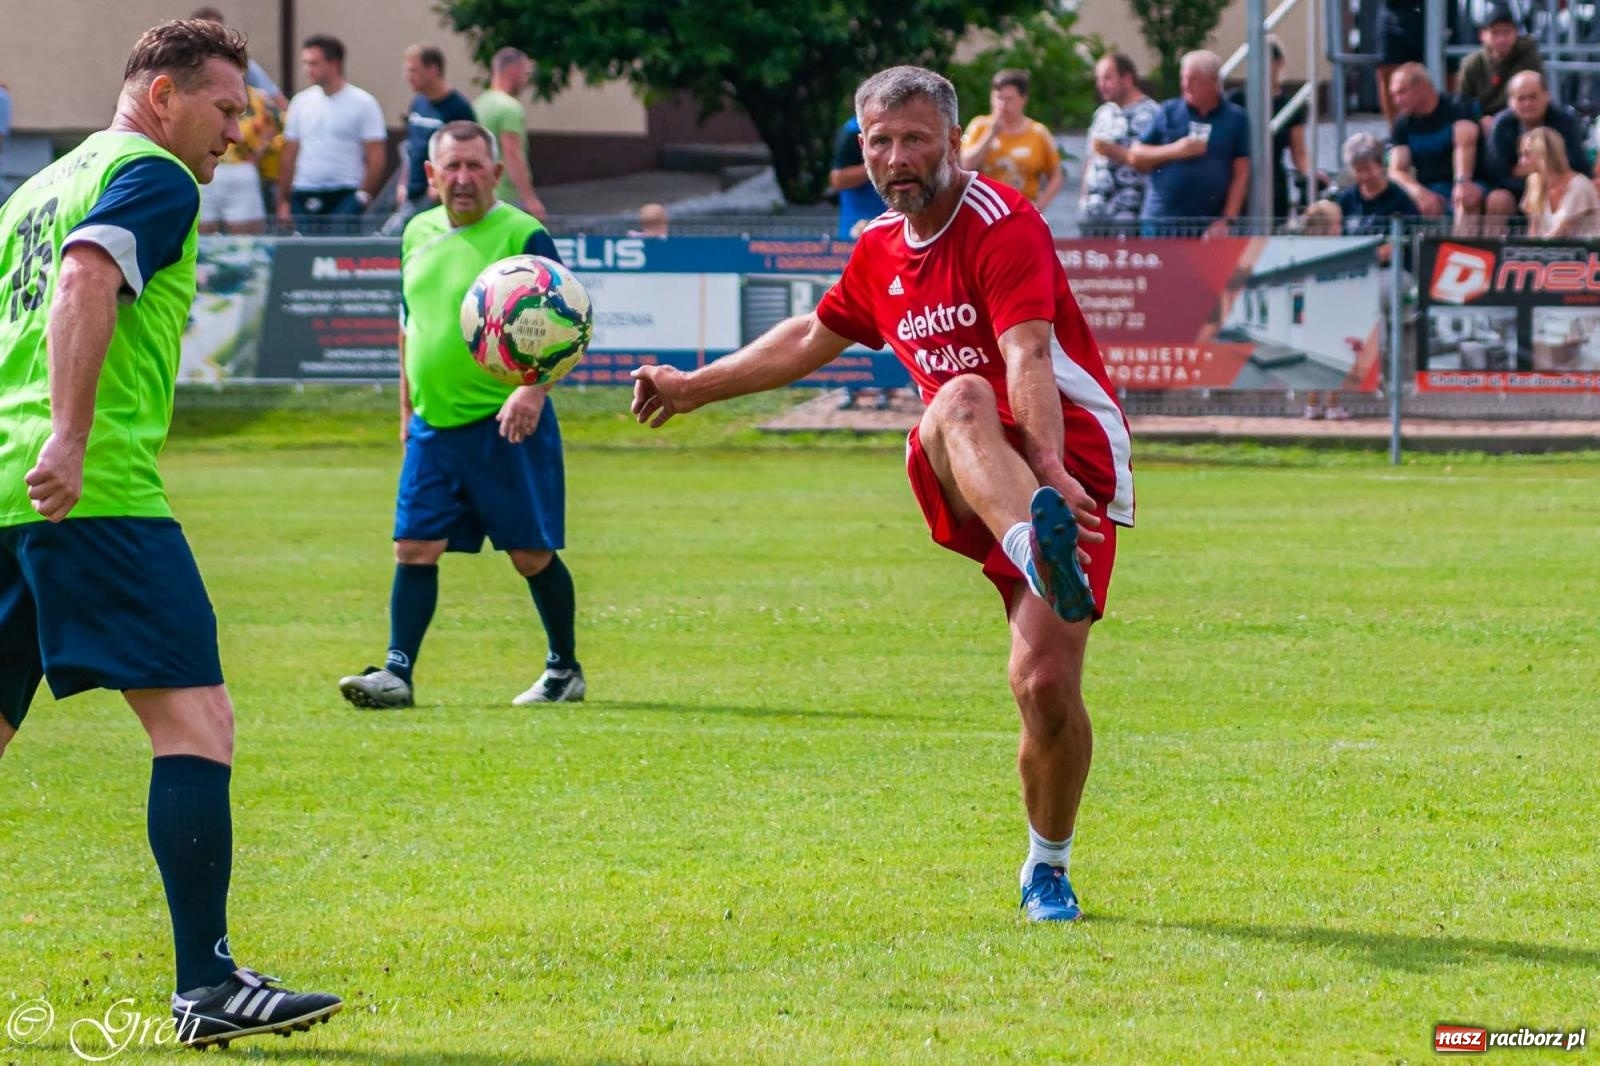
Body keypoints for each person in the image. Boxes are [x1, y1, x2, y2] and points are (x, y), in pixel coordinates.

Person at [631, 66, 1134, 924]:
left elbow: (1029, 358)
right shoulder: (876, 248)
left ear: (952, 142)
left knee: (1043, 684)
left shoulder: (1002, 222)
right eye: (879, 142)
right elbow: (808, 336)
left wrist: (1049, 467)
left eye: (913, 139)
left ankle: (1046, 865)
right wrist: (691, 388)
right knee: (958, 398)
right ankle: (1030, 547)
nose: (896, 158)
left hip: (1060, 466)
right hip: (971, 457)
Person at [0, 18, 341, 1049]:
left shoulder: (34, 189)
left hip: (6, 490)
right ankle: (208, 983)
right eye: (226, 107)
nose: (239, 131)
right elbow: (84, 281)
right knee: (198, 724)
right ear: (160, 95)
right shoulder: (154, 175)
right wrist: (69, 434)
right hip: (91, 490)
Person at [338, 121, 583, 711]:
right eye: (451, 167)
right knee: (414, 547)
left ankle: (563, 669)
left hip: (507, 426)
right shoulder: (415, 232)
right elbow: (409, 328)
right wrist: (406, 411)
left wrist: (534, 391)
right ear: (430, 174)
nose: (463, 178)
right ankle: (397, 673)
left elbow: (570, 325)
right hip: (432, 427)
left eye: (475, 166)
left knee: (530, 555)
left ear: (497, 173)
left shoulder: (524, 233)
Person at [1125, 50, 1249, 237]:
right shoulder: (1169, 111)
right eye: (1183, 79)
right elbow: (1135, 155)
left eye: (1194, 80)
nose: (1186, 85)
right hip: (1161, 222)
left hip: (1207, 225)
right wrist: (1176, 150)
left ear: (1214, 81)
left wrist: (1227, 220)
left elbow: (1242, 172)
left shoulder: (1236, 118)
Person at [275, 35, 386, 234]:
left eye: (314, 63)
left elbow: (376, 156)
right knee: (304, 255)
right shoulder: (300, 102)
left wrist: (363, 196)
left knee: (338, 256)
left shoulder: (363, 103)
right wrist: (283, 200)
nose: (307, 69)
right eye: (306, 63)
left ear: (334, 63)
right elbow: (290, 153)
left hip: (345, 194)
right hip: (304, 192)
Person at [1387, 63, 1502, 233]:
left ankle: (1461, 252)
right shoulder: (1402, 123)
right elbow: (1396, 170)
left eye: (1402, 92)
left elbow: (1464, 145)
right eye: (1394, 95)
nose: (1397, 100)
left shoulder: (1457, 106)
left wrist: (1462, 183)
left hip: (1471, 181)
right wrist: (1420, 193)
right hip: (1430, 188)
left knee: (1466, 198)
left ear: (1423, 86)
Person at [1227, 36, 1327, 220]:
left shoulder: (1289, 106)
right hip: (1238, 177)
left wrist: (1312, 174)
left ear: (1278, 63)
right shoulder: (1236, 99)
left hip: (1273, 179)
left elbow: (1299, 153)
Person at [386, 44, 476, 235]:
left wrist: (438, 188)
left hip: (438, 197)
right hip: (413, 193)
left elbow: (468, 152)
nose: (407, 76)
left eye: (413, 70)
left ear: (433, 70)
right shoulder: (418, 102)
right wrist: (403, 184)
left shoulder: (458, 108)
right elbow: (411, 149)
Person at [958, 69, 1064, 210]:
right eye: (999, 98)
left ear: (1023, 99)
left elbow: (1056, 176)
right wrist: (991, 134)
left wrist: (1040, 204)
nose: (1002, 105)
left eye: (1009, 99)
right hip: (985, 208)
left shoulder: (1038, 133)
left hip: (1022, 209)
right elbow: (966, 165)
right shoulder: (979, 126)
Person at [1486, 71, 1589, 215]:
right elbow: (1498, 173)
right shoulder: (1501, 125)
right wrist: (1536, 180)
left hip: (1558, 188)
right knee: (1497, 199)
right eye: (1521, 98)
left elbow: (1575, 164)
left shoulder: (1565, 121)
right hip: (1516, 189)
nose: (1528, 103)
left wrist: (1530, 171)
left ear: (1547, 96)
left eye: (1533, 97)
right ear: (1511, 101)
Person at [1081, 53, 1160, 235]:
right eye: (1099, 78)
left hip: (1129, 214)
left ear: (1127, 79)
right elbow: (1090, 159)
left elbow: (1157, 161)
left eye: (1107, 77)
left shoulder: (1152, 113)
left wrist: (1117, 152)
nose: (1101, 84)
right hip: (1096, 212)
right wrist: (1084, 198)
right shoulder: (1102, 113)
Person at [474, 47, 547, 217]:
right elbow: (512, 153)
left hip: (483, 193)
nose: (526, 80)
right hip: (506, 196)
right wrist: (529, 198)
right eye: (525, 73)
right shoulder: (510, 108)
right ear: (514, 69)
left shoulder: (478, 104)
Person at [199, 83, 277, 235]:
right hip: (204, 168)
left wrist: (259, 151)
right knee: (203, 238)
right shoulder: (203, 95)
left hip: (241, 169)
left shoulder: (258, 97)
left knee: (246, 242)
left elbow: (277, 123)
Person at [1459, 3, 1544, 131]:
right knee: (1465, 130)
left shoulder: (1528, 57)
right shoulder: (1472, 64)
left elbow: (1538, 95)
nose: (1502, 39)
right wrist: (1479, 120)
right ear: (1482, 35)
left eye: (1507, 32)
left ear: (1516, 32)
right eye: (1495, 33)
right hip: (1485, 123)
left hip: (1521, 118)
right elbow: (1463, 103)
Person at [189, 6, 289, 110]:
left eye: (216, 32)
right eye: (204, 33)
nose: (211, 39)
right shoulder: (184, 66)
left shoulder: (240, 65)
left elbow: (279, 102)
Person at [1520, 126, 1600, 237]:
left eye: (1527, 154)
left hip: (1585, 252)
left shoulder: (1579, 185)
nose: (1522, 161)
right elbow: (1533, 232)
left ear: (1543, 154)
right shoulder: (1534, 182)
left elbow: (1559, 234)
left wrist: (1534, 250)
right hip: (1548, 251)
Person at [830, 113, 888, 239]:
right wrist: (877, 166)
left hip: (894, 228)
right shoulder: (854, 130)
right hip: (858, 228)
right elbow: (838, 179)